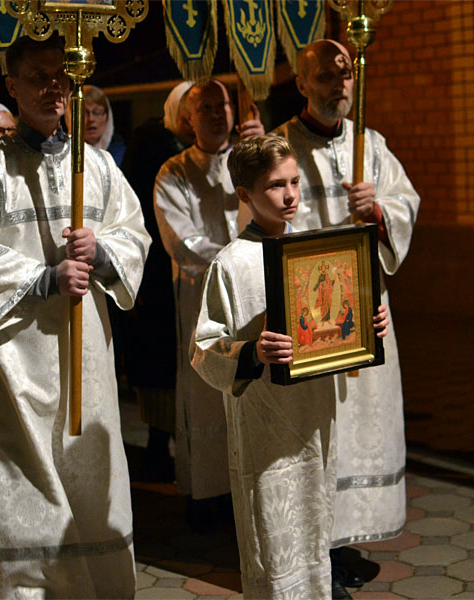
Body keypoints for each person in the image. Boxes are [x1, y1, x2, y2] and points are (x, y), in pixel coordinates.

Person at [0, 35, 151, 597]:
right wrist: (44, 277)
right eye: (37, 77)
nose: (53, 87)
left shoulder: (98, 166)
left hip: (87, 353)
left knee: (92, 478)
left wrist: (102, 251)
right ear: (11, 87)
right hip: (19, 361)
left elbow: (135, 235)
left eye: (61, 76)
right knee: (27, 485)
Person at [191, 135, 390, 598]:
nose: (290, 195)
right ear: (245, 193)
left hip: (313, 413)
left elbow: (336, 314)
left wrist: (367, 322)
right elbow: (202, 349)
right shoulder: (231, 264)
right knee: (271, 532)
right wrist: (250, 352)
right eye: (275, 185)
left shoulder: (314, 252)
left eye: (295, 182)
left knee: (315, 520)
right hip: (264, 423)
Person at [272, 38, 420, 595]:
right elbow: (260, 213)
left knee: (361, 428)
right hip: (310, 313)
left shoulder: (370, 144)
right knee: (319, 432)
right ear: (302, 84)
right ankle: (317, 556)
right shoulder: (280, 146)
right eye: (325, 77)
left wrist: (377, 210)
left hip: (365, 307)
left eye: (346, 76)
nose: (339, 87)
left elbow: (406, 202)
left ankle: (343, 540)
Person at [154, 79, 264, 531]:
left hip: (254, 294)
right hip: (202, 294)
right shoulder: (174, 172)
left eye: (224, 106)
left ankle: (250, 487)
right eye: (206, 108)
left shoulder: (252, 161)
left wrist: (257, 157)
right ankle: (208, 491)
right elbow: (181, 239)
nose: (218, 114)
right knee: (205, 391)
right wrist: (235, 260)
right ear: (188, 118)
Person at [118, 80, 194, 482]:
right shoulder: (152, 148)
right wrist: (139, 279)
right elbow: (139, 216)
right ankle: (158, 448)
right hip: (156, 273)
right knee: (161, 366)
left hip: (185, 277)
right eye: (191, 112)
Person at [67, 84, 126, 166]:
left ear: (108, 116)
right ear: (70, 117)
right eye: (83, 113)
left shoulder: (124, 155)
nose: (91, 119)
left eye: (97, 112)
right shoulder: (63, 155)